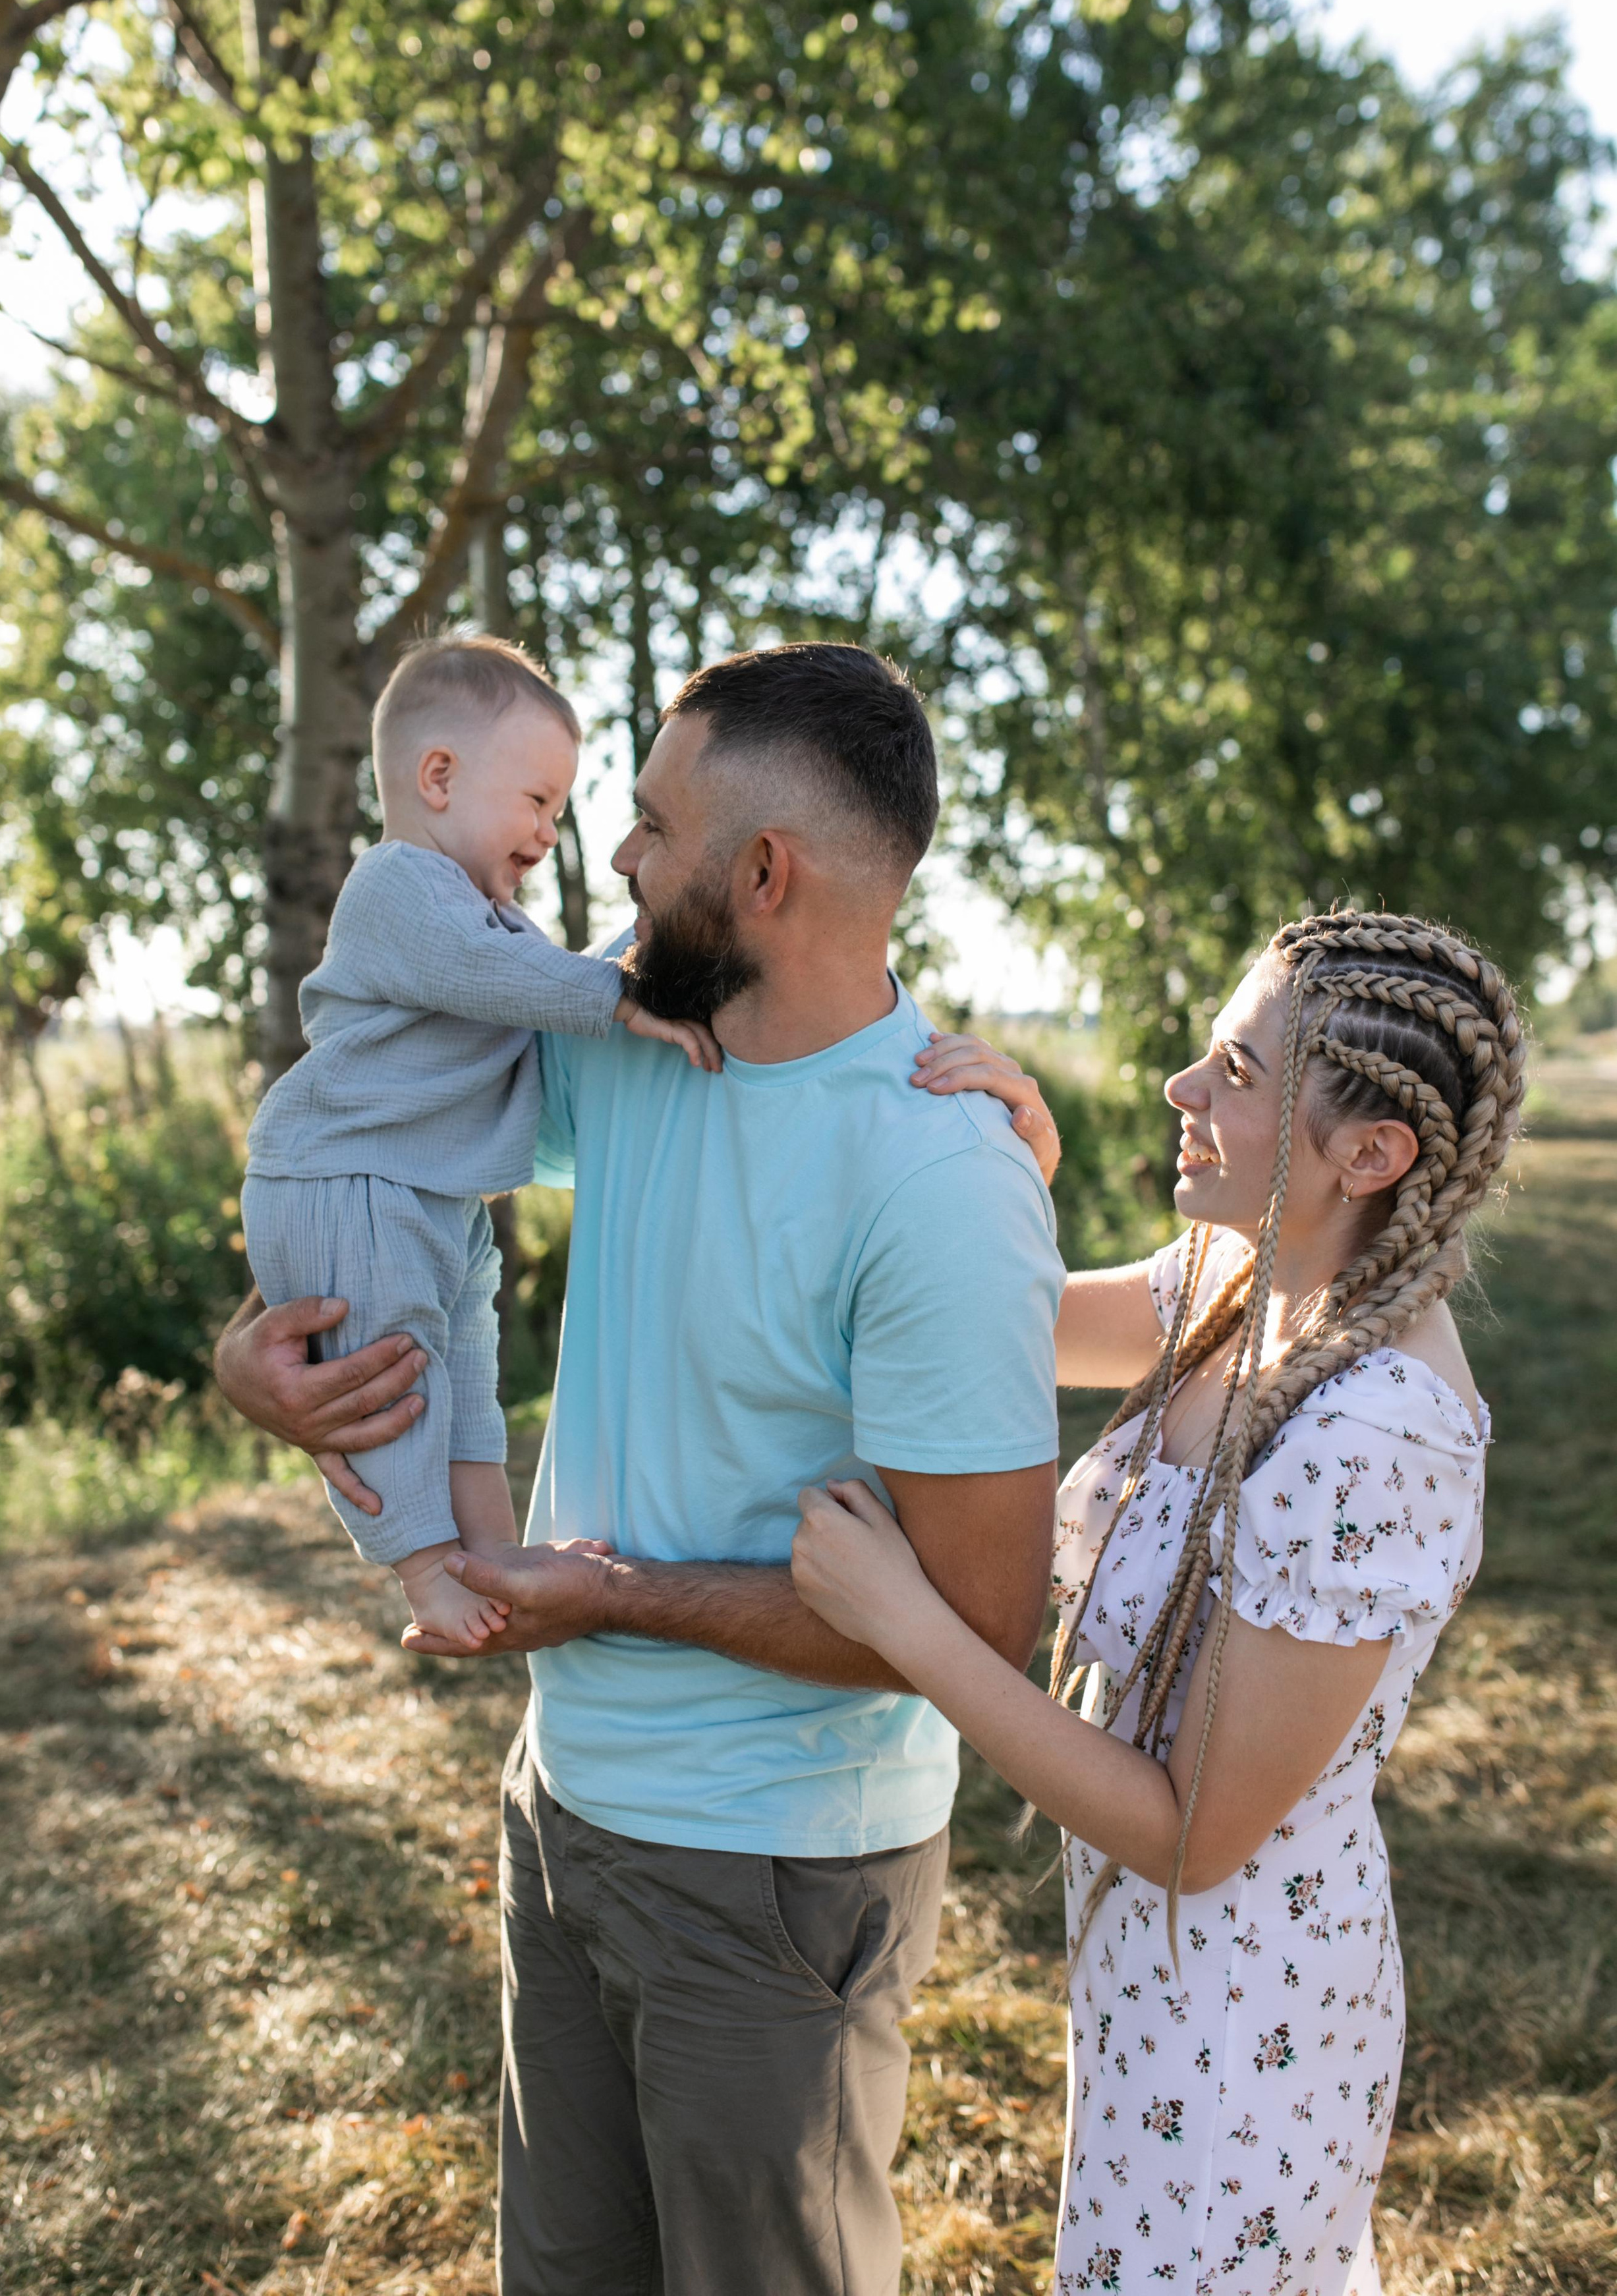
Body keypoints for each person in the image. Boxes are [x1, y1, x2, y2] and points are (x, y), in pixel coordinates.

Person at [215, 641, 1067, 2296]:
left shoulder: (941, 1179)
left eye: (654, 826)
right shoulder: (625, 1036)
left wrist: (612, 1595)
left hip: (774, 1872)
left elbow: (977, 1625)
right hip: (561, 1808)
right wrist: (252, 1356)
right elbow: (368, 1147)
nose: (609, 855)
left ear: (763, 874)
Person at [791, 910, 1525, 2296]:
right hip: (1157, 1985)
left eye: (1235, 1073)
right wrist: (997, 1180)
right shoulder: (1240, 1281)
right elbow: (1007, 1321)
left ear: (1370, 1156)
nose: (1181, 1089)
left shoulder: (1379, 1434)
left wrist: (906, 1622)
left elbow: (1192, 1835)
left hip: (1245, 2022)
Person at [240, 634, 718, 1652]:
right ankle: (423, 1570)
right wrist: (621, 994)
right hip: (349, 1173)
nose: (550, 830)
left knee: (466, 1372)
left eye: (558, 808)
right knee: (395, 1371)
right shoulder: (398, 887)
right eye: (537, 801)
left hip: (431, 1189)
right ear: (439, 779)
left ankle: (495, 1554)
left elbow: (523, 987)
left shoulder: (494, 920)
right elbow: (492, 977)